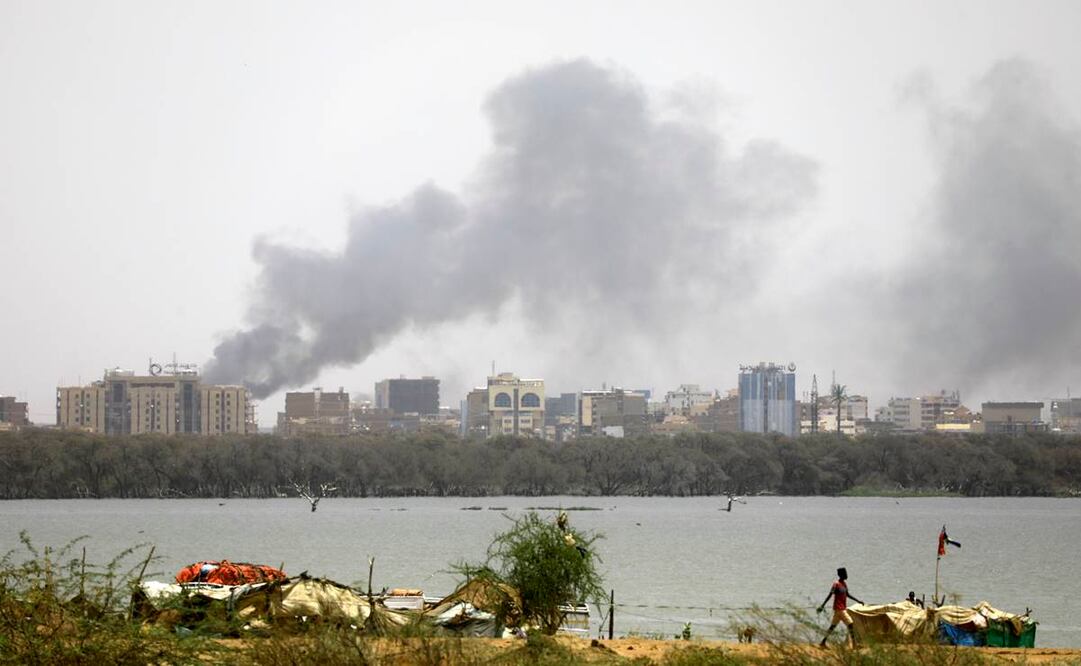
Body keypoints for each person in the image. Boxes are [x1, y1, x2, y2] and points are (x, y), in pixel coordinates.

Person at [817, 567, 863, 647]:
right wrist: (822, 605)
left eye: (846, 573)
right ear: (840, 575)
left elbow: (848, 595)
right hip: (839, 609)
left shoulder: (844, 584)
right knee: (850, 623)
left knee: (832, 626)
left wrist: (858, 601)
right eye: (845, 573)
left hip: (840, 609)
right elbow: (830, 595)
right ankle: (854, 644)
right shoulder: (836, 584)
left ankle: (823, 642)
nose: (846, 575)